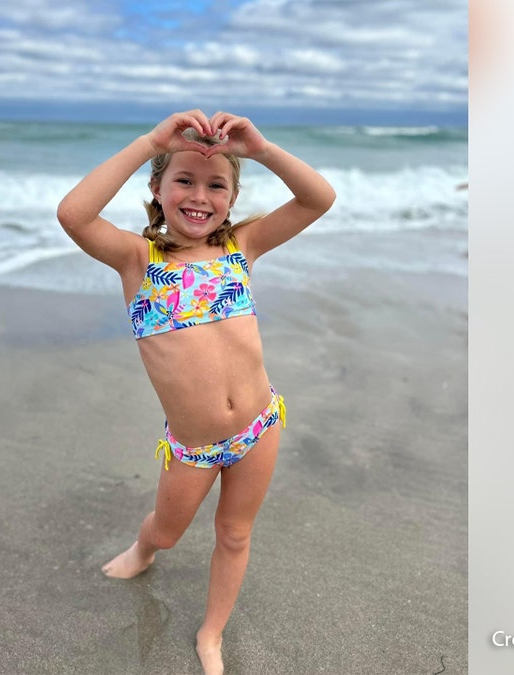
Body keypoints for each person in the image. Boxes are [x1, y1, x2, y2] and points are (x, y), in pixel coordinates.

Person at [56, 110, 335, 674]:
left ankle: (212, 634)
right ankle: (144, 550)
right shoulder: (140, 260)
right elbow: (74, 214)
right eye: (183, 179)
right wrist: (151, 142)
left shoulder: (241, 248)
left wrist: (261, 149)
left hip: (261, 426)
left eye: (216, 185)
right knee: (168, 530)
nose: (199, 196)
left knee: (234, 535)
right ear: (157, 189)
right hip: (193, 447)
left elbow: (318, 198)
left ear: (232, 199)